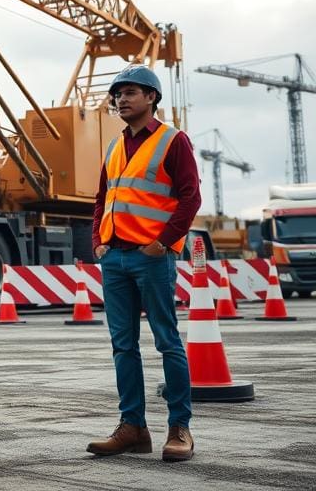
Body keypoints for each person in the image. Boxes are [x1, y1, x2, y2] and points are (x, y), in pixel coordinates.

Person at [87, 64, 201, 462]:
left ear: (152, 97)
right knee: (123, 346)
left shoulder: (174, 141)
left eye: (130, 92)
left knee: (167, 342)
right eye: (117, 94)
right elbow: (103, 197)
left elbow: (190, 198)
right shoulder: (115, 146)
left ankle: (180, 429)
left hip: (152, 258)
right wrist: (99, 241)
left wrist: (163, 243)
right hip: (115, 257)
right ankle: (132, 427)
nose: (121, 99)